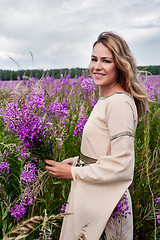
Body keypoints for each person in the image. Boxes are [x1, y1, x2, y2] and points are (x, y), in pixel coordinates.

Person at [45, 32, 148, 240]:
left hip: (106, 204)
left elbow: (123, 164)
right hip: (94, 196)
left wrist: (73, 173)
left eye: (106, 61)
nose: (97, 66)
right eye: (94, 59)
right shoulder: (107, 99)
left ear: (119, 65)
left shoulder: (118, 103)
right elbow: (103, 151)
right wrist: (76, 162)